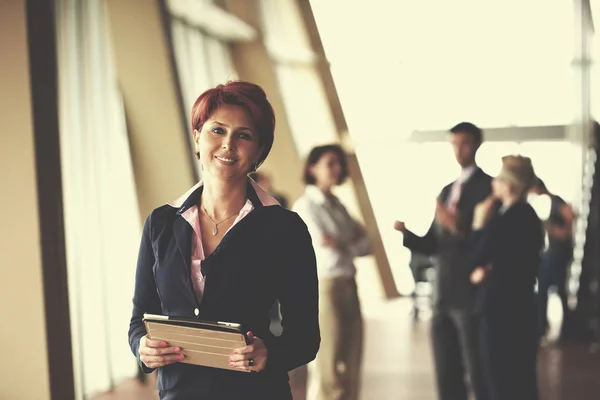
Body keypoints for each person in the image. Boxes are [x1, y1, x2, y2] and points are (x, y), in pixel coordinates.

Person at [128, 81, 320, 399]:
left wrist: (268, 354)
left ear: (259, 150)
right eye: (217, 130)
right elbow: (140, 316)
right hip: (180, 393)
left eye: (243, 135)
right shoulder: (160, 224)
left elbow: (305, 337)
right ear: (197, 137)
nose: (228, 145)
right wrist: (142, 347)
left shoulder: (285, 228)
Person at [394, 122, 490, 400]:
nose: (458, 150)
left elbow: (483, 241)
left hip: (469, 291)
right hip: (443, 292)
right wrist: (407, 235)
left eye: (465, 143)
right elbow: (433, 244)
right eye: (454, 143)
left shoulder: (487, 188)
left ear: (477, 145)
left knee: (475, 366)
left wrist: (456, 227)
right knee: (445, 367)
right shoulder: (447, 190)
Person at [293, 144, 371, 400]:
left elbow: (367, 245)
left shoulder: (338, 205)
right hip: (325, 288)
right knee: (327, 364)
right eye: (331, 163)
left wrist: (341, 242)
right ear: (312, 168)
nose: (337, 169)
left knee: (352, 361)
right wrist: (349, 241)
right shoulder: (305, 206)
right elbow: (326, 247)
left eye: (339, 164)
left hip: (349, 284)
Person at [469, 155, 543, 400]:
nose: (494, 183)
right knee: (521, 380)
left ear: (508, 185)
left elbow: (478, 256)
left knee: (500, 380)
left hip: (500, 311)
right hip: (521, 308)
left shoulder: (505, 218)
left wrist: (479, 225)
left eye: (499, 179)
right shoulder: (528, 217)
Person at [529, 178, 575, 339]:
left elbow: (570, 216)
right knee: (557, 290)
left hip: (558, 252)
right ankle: (565, 327)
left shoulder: (555, 201)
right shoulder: (549, 202)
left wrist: (560, 232)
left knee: (547, 289)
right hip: (554, 252)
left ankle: (544, 326)